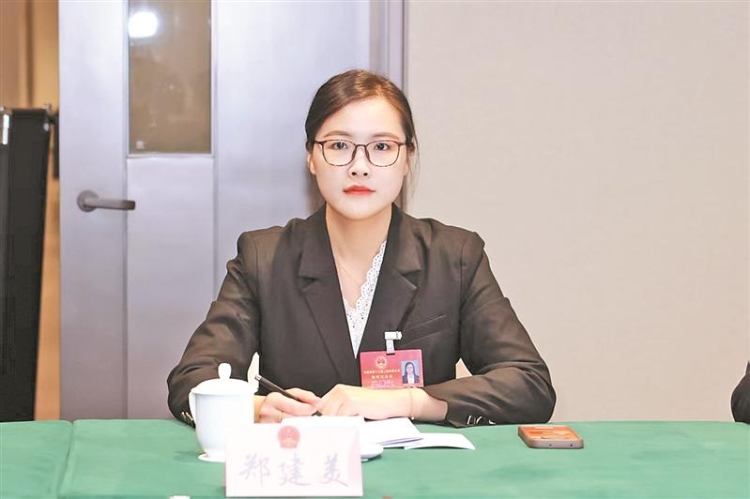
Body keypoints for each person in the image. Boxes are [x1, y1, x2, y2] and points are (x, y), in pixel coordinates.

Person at [167, 69, 555, 427]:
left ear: (407, 158)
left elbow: (529, 384)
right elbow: (191, 380)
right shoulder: (264, 257)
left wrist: (409, 401)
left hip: (416, 471)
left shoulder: (453, 256)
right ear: (311, 157)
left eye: (382, 147)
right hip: (303, 466)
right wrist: (255, 408)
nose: (359, 166)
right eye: (339, 145)